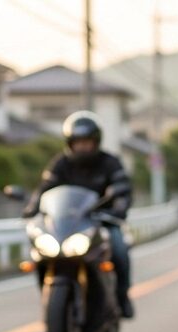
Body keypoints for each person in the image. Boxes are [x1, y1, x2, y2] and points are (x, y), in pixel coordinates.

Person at [23, 111, 136, 318]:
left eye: (87, 142)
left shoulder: (110, 162)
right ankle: (52, 302)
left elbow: (123, 188)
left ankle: (122, 296)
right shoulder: (61, 163)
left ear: (96, 142)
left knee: (119, 249)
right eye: (78, 142)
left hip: (102, 220)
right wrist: (32, 206)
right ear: (70, 143)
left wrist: (119, 207)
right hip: (69, 223)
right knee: (39, 252)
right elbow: (45, 189)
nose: (83, 146)